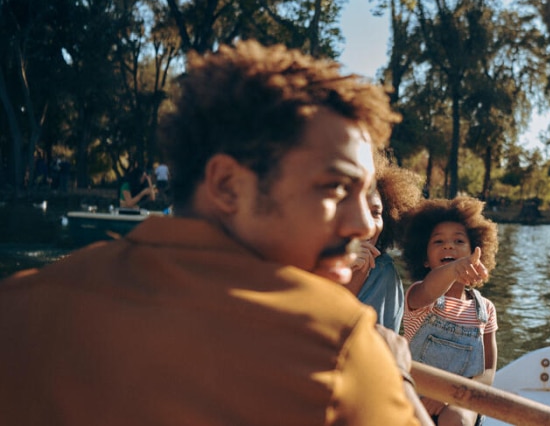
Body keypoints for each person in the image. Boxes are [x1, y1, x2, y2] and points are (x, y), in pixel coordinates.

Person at [0, 40, 429, 425]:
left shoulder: (20, 306)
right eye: (335, 188)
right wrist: (397, 377)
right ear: (227, 185)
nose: (364, 225)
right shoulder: (337, 348)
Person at [401, 196, 500, 425]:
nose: (449, 245)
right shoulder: (420, 296)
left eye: (458, 241)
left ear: (477, 253)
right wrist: (454, 268)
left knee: (456, 418)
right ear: (424, 260)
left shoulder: (485, 309)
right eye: (438, 242)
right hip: (414, 392)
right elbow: (433, 284)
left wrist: (448, 396)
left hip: (461, 399)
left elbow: (487, 373)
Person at [341, 157, 423, 331]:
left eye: (375, 213)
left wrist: (358, 274)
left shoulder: (382, 273)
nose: (367, 223)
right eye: (355, 209)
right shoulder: (299, 261)